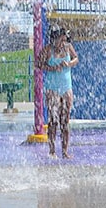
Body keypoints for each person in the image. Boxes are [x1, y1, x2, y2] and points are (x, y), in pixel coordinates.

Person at [37, 26, 78, 159]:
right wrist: (52, 68)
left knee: (65, 121)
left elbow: (76, 58)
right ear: (54, 39)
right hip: (53, 89)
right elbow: (38, 64)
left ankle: (65, 151)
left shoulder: (67, 47)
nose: (62, 43)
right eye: (60, 40)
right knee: (53, 121)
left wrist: (69, 64)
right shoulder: (48, 50)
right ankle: (52, 150)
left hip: (66, 88)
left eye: (64, 40)